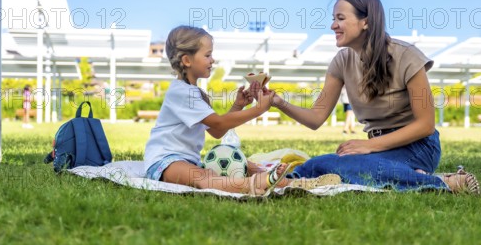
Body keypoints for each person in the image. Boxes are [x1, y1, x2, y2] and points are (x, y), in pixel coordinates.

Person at [255, 0, 480, 194]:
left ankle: (445, 183)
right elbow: (316, 118)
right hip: (378, 150)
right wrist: (278, 102)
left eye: (340, 18)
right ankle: (412, 178)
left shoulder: (407, 56)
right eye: (333, 19)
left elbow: (425, 124)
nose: (333, 25)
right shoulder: (341, 62)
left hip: (419, 147)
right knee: (325, 164)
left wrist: (368, 145)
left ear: (366, 22)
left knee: (330, 165)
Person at [144, 25, 339, 196]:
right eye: (207, 55)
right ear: (187, 60)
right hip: (164, 161)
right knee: (205, 178)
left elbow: (217, 131)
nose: (213, 60)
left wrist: (239, 105)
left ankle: (285, 180)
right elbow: (219, 123)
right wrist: (258, 109)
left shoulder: (197, 94)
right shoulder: (181, 92)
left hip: (187, 161)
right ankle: (264, 184)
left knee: (243, 164)